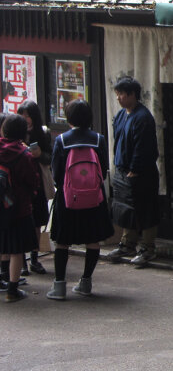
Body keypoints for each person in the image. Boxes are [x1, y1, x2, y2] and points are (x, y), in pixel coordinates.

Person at [46, 100, 114, 300]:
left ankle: (59, 286)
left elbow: (57, 172)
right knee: (92, 240)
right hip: (94, 197)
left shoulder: (62, 140)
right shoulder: (98, 139)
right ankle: (86, 283)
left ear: (69, 118)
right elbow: (102, 168)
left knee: (62, 242)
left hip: (68, 199)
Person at [106, 76, 160, 267]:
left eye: (121, 94)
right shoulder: (121, 115)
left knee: (146, 210)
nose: (118, 98)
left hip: (141, 172)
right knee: (126, 209)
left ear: (132, 95)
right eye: (117, 94)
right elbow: (118, 141)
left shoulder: (143, 117)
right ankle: (127, 244)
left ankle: (147, 248)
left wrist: (135, 169)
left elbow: (145, 148)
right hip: (123, 169)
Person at [0, 114, 39, 302]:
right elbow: (32, 181)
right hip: (17, 207)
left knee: (3, 243)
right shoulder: (23, 155)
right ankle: (12, 290)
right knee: (16, 249)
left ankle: (2, 278)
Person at [17, 100, 53, 275]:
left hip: (37, 182)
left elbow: (50, 158)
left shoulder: (42, 133)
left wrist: (39, 155)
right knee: (22, 222)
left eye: (28, 115)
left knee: (37, 222)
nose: (26, 119)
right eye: (22, 115)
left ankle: (34, 258)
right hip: (21, 184)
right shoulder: (15, 132)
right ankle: (22, 261)